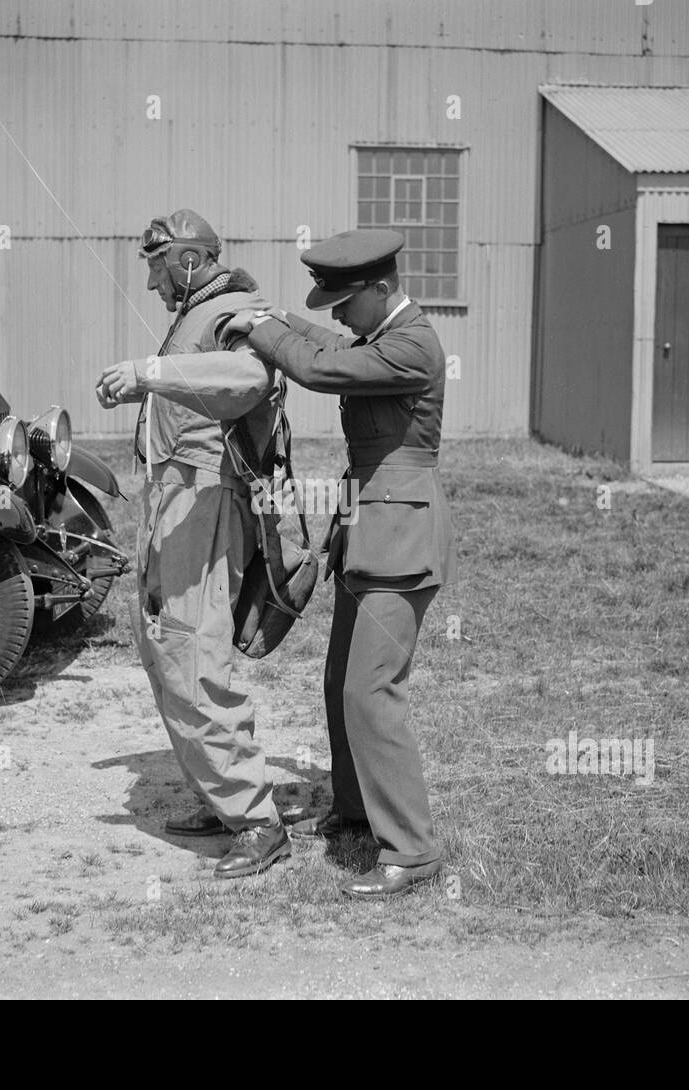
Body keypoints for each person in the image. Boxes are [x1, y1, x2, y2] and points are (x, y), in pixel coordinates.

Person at [224, 228, 456, 898]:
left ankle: (411, 850)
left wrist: (264, 331)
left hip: (403, 538)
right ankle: (358, 813)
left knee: (371, 691)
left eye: (343, 301)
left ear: (381, 287)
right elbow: (329, 346)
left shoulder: (413, 344)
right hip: (371, 531)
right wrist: (274, 319)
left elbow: (324, 369)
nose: (334, 314)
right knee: (339, 684)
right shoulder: (380, 335)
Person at [95, 209, 290, 879]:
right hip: (176, 501)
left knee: (195, 656)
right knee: (164, 648)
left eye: (155, 266)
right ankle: (221, 793)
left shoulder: (236, 308)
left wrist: (151, 373)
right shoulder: (197, 314)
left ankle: (258, 823)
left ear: (185, 261)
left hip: (206, 501)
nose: (150, 283)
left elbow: (251, 380)